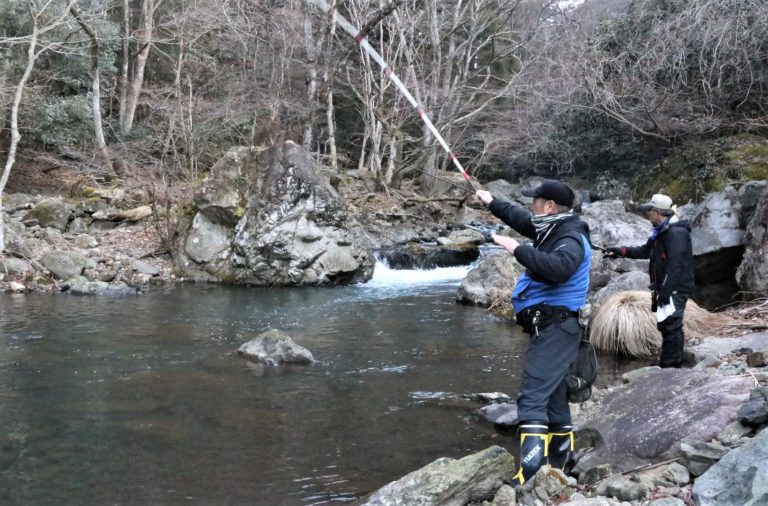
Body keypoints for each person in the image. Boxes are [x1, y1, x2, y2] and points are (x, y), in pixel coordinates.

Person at [476, 180, 591, 485]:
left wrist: (517, 249)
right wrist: (491, 202)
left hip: (556, 325)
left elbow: (559, 269)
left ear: (550, 206)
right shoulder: (553, 227)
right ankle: (560, 465)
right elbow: (521, 219)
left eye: (535, 201)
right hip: (556, 326)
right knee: (553, 397)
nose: (532, 206)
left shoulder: (570, 236)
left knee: (532, 397)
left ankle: (528, 473)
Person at [604, 193, 694, 368]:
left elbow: (675, 266)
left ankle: (669, 368)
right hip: (667, 287)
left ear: (658, 212)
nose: (647, 214)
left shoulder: (675, 234)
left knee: (670, 326)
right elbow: (645, 251)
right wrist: (619, 251)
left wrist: (666, 291)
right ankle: (674, 364)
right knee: (669, 326)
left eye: (649, 210)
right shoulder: (661, 232)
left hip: (674, 288)